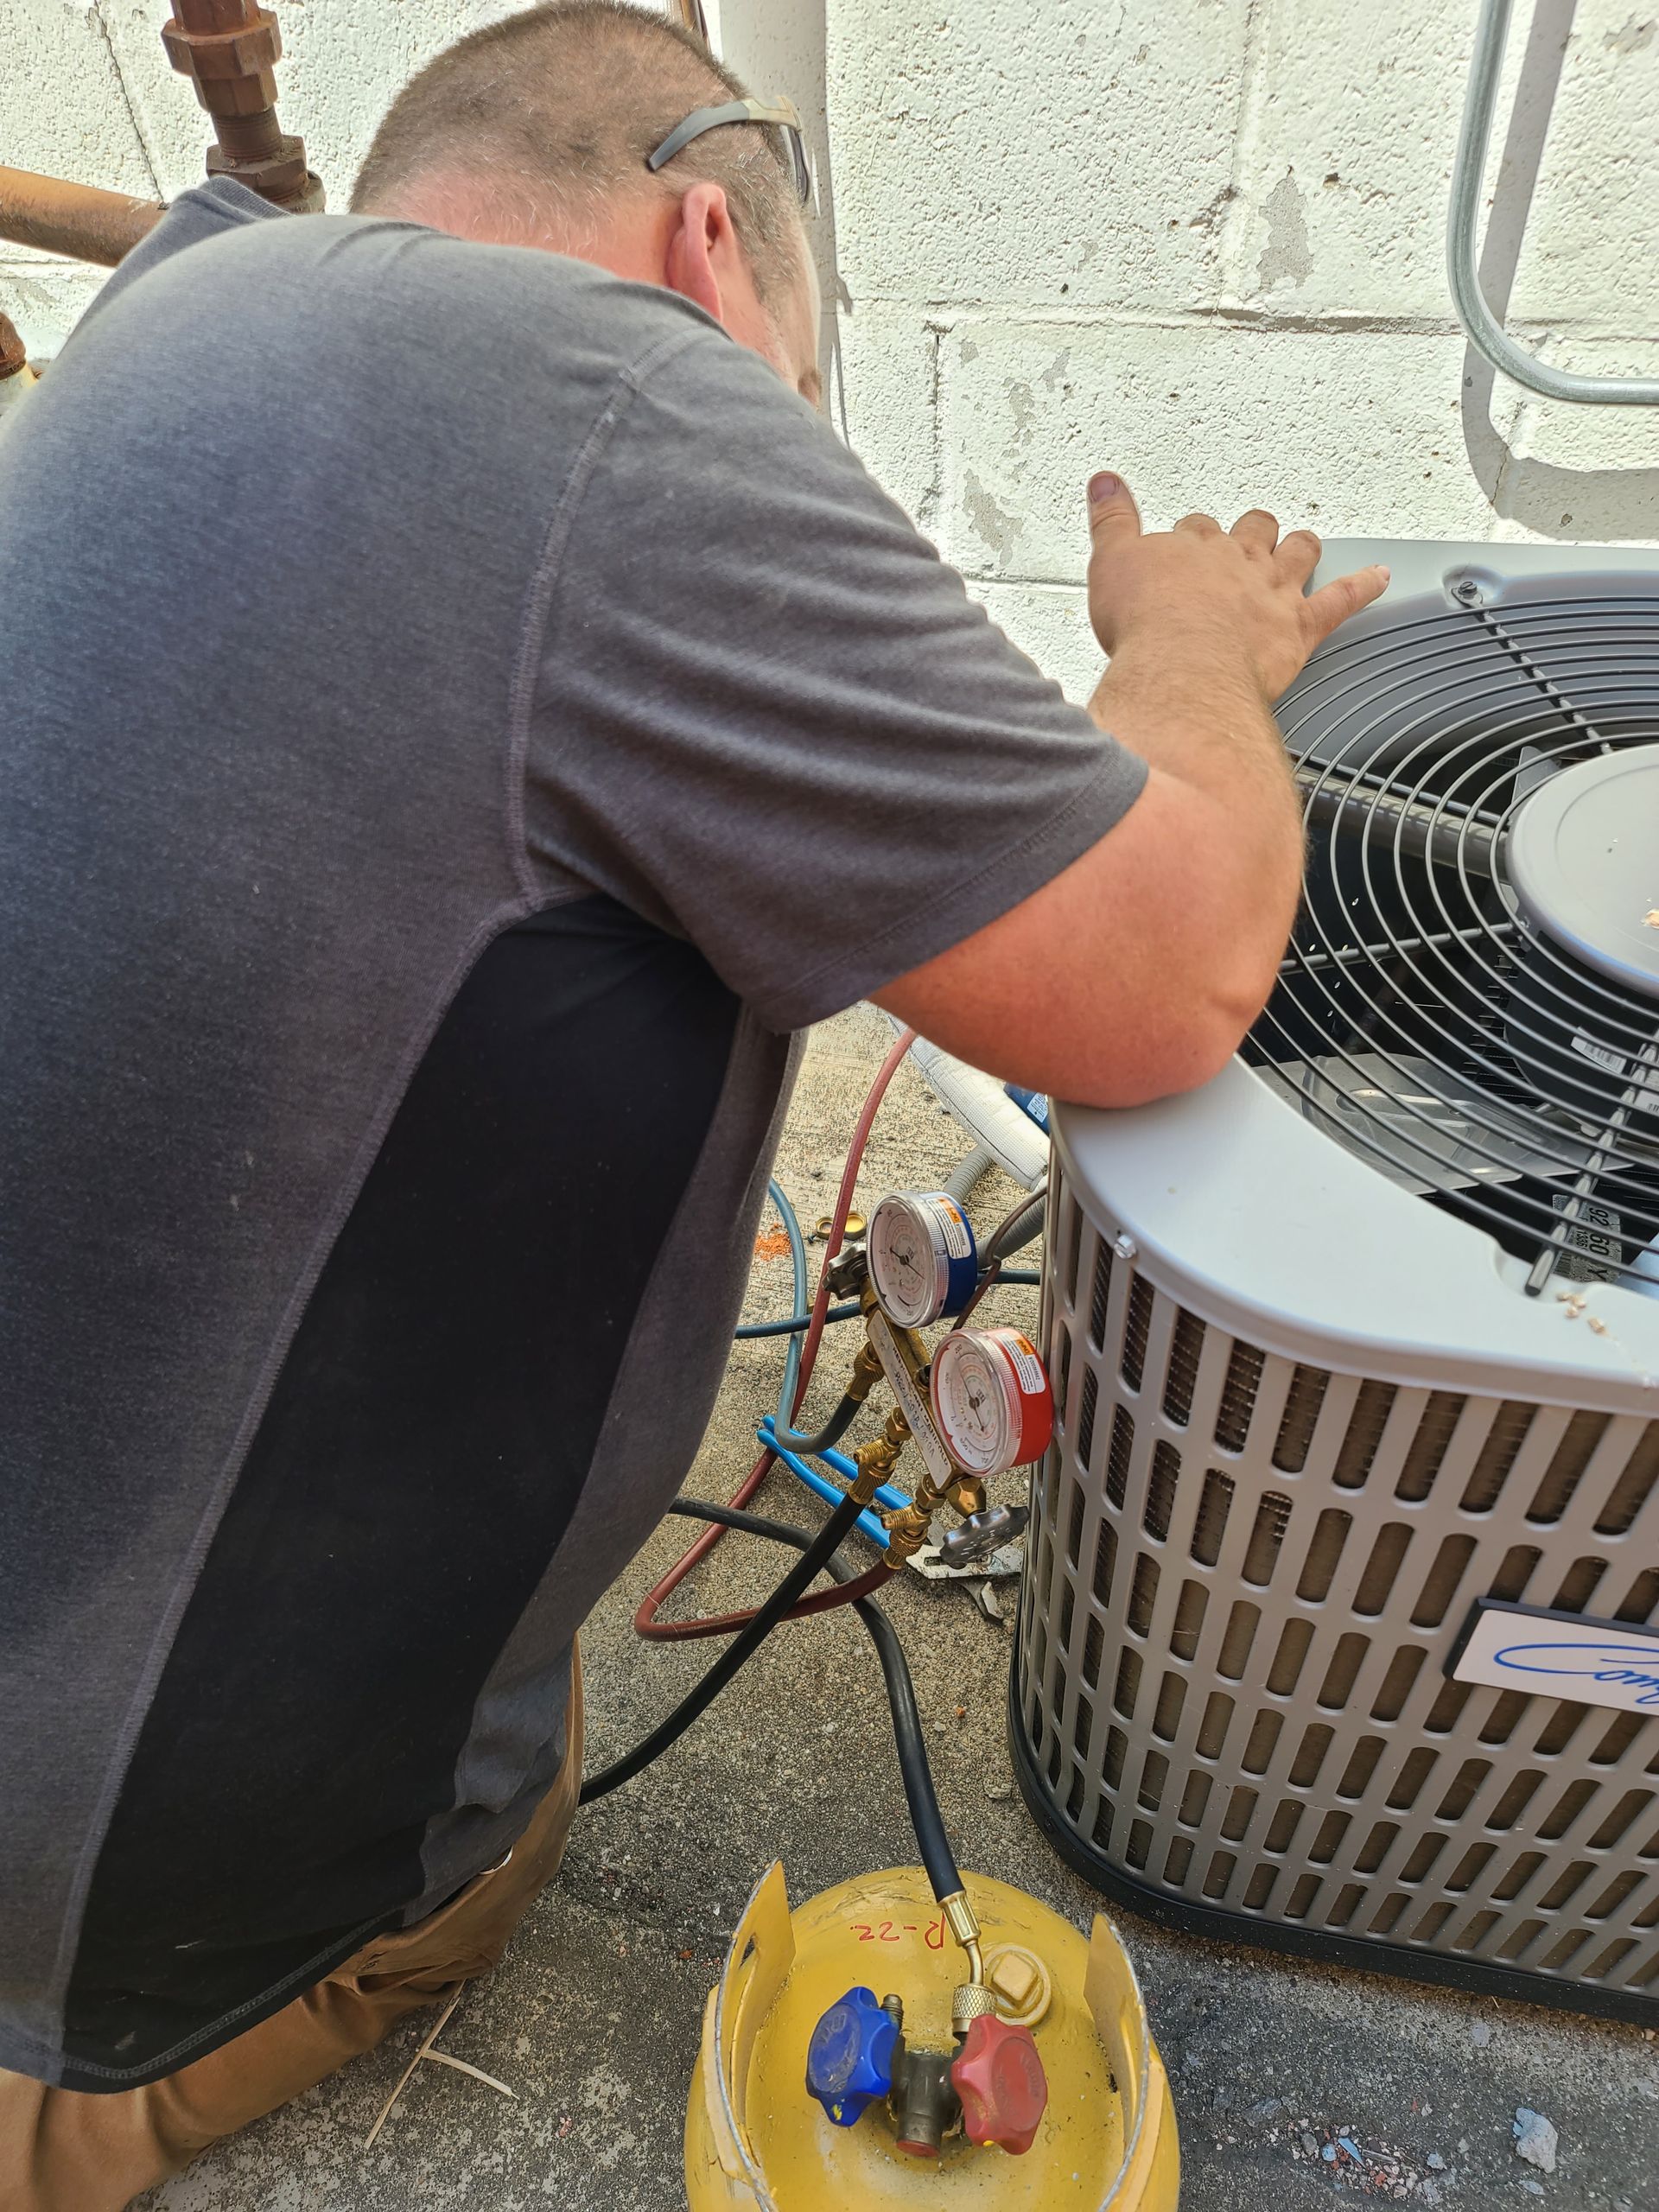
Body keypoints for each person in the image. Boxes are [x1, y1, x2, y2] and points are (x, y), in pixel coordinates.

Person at [0, 3, 1387, 2202]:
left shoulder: (183, 316)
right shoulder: (615, 394)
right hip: (85, 1871)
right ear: (710, 240)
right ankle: (117, 2075)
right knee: (491, 1825)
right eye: (807, 400)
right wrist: (1186, 649)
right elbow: (1181, 957)